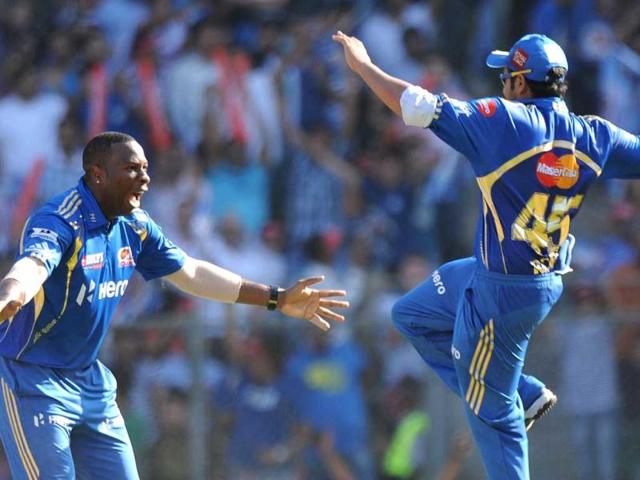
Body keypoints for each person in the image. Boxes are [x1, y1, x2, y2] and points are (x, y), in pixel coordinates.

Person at [333, 30, 640, 479]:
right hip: (522, 278)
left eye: (505, 76)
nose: (501, 85)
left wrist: (362, 66)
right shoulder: (593, 135)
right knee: (413, 315)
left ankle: (507, 398)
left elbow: (416, 106)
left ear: (519, 83)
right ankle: (524, 390)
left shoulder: (504, 121)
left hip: (502, 296)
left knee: (495, 420)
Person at [0, 131, 349, 479]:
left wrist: (277, 298)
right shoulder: (61, 220)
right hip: (32, 378)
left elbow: (192, 273)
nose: (145, 178)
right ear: (97, 174)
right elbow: (32, 264)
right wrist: (12, 293)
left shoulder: (135, 226)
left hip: (89, 380)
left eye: (146, 168)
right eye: (131, 169)